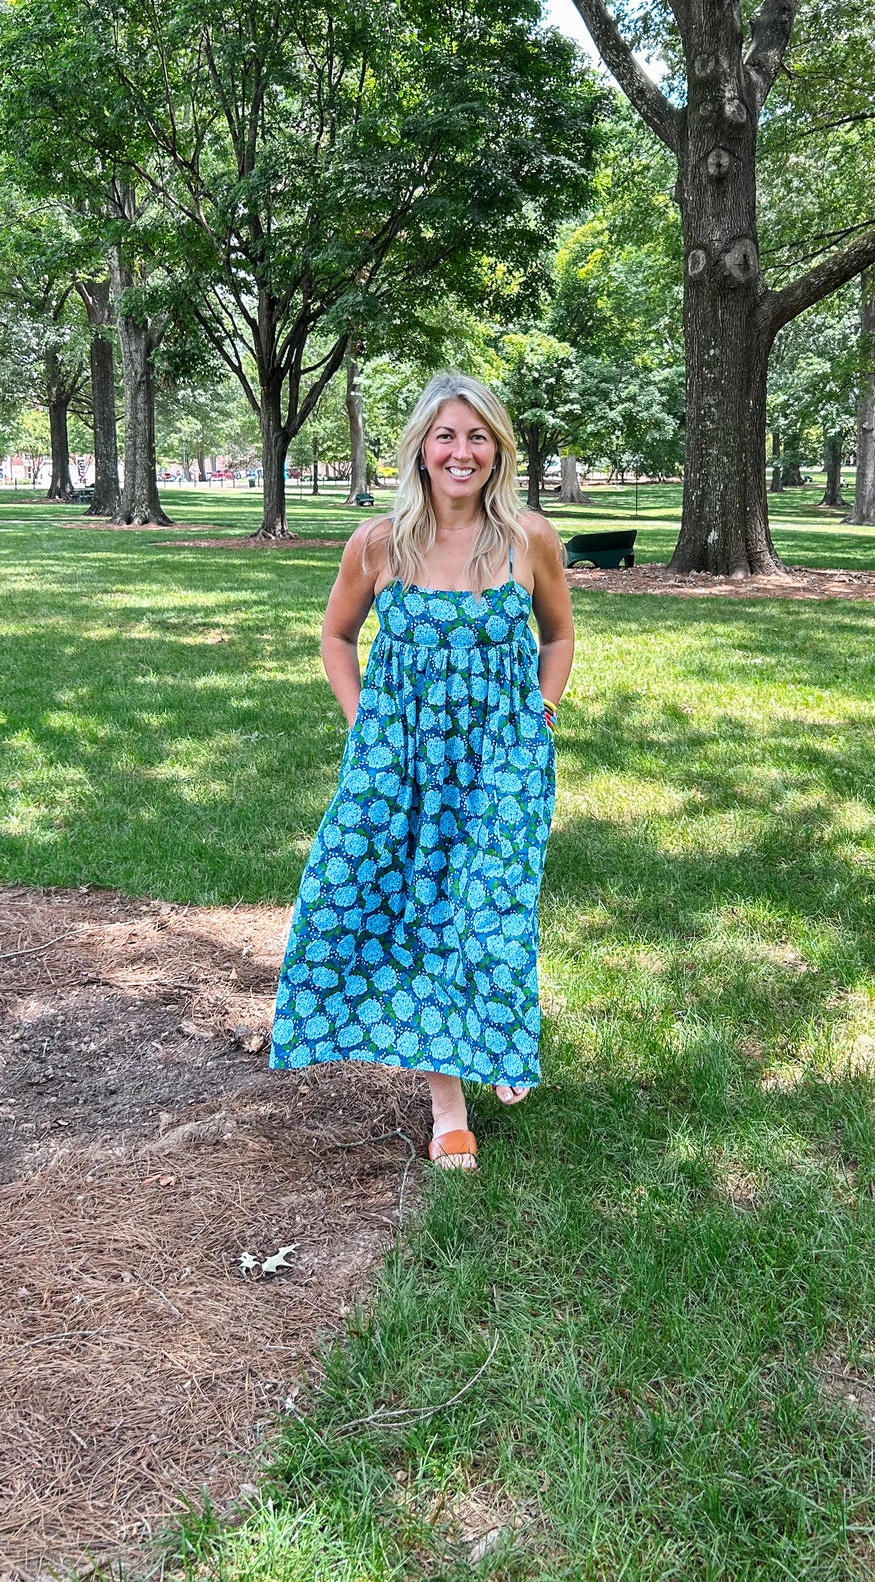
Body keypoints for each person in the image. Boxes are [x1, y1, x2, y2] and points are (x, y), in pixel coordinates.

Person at [269, 371, 574, 1170]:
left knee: (490, 905)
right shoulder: (377, 543)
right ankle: (448, 1104)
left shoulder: (529, 538)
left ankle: (499, 1030)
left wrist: (540, 716)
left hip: (501, 757)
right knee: (395, 906)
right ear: (421, 448)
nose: (461, 451)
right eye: (446, 435)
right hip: (399, 761)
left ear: (498, 450)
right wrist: (363, 720)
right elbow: (336, 636)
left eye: (478, 436)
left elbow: (558, 636)